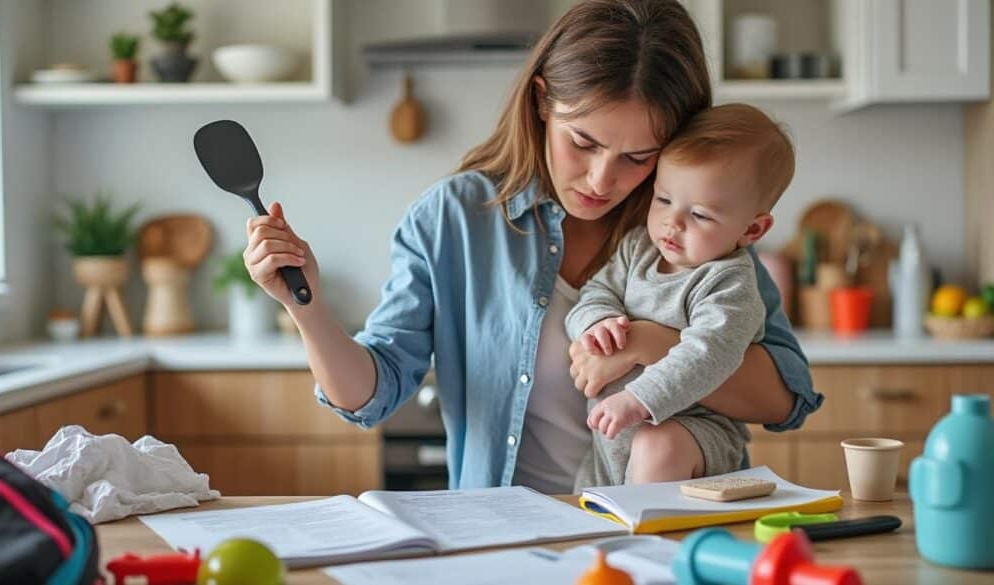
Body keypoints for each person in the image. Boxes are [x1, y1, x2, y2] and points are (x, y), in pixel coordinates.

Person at [242, 0, 823, 494]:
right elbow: (371, 395)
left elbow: (784, 398)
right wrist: (305, 306)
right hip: (508, 539)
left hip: (666, 539)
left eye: (638, 157)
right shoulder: (454, 218)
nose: (601, 180)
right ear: (542, 101)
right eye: (584, 142)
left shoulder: (691, 228)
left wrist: (649, 345)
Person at [566, 103, 796, 489]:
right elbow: (597, 290)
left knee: (658, 447)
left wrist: (639, 399)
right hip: (611, 440)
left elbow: (708, 354)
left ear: (752, 230)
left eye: (700, 215)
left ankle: (655, 531)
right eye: (664, 200)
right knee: (594, 502)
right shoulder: (638, 247)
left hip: (693, 430)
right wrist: (597, 321)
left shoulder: (730, 283)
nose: (672, 222)